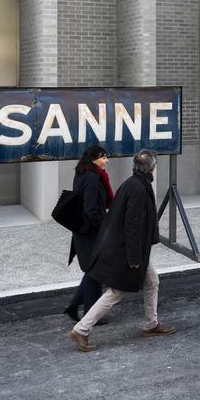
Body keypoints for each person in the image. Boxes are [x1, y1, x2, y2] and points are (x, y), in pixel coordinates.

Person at [68, 150, 176, 352]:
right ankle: (81, 330)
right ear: (151, 167)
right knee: (116, 292)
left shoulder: (135, 183)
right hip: (128, 251)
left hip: (134, 249)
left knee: (152, 282)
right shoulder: (138, 189)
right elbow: (132, 226)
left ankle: (151, 324)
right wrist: (134, 258)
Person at [63, 146, 114, 323]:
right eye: (103, 158)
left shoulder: (82, 173)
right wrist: (104, 229)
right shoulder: (93, 179)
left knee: (93, 270)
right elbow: (92, 209)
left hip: (83, 230)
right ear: (93, 159)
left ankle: (76, 306)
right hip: (91, 231)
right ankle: (89, 313)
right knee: (95, 271)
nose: (106, 160)